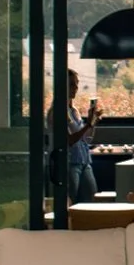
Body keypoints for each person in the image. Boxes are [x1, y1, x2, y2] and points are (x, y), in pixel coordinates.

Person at [53, 69, 100, 203]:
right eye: (72, 85)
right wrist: (87, 125)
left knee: (91, 199)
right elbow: (69, 140)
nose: (76, 88)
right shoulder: (57, 111)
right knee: (69, 201)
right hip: (69, 163)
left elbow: (86, 138)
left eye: (77, 84)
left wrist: (92, 122)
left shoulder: (74, 111)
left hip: (84, 161)